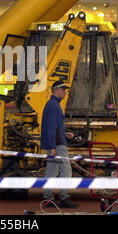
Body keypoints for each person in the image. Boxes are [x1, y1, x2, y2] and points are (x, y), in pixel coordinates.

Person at [40, 80, 79, 209]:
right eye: (63, 90)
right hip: (57, 145)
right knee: (66, 170)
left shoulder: (51, 104)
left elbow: (54, 126)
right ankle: (63, 197)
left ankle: (48, 199)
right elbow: (51, 127)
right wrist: (52, 146)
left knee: (51, 171)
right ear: (56, 90)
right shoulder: (54, 106)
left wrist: (65, 133)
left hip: (55, 142)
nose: (64, 92)